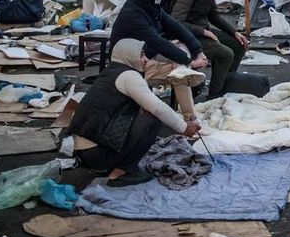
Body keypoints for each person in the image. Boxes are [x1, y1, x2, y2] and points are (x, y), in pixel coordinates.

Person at [69, 39, 201, 187]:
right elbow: (158, 108)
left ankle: (117, 166)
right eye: (141, 55)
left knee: (145, 112)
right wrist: (183, 127)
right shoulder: (129, 76)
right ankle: (122, 171)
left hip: (86, 152)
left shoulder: (112, 72)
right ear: (128, 56)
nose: (146, 59)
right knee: (152, 119)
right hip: (97, 155)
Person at [109, 0, 209, 103]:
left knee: (181, 56)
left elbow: (176, 26)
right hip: (129, 61)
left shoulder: (151, 7)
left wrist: (198, 51)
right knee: (181, 72)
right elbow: (157, 42)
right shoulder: (133, 14)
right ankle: (188, 113)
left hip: (147, 53)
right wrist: (189, 62)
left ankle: (186, 107)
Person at [165, 0, 247, 100]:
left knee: (239, 44)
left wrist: (234, 32)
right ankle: (214, 95)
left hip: (201, 31)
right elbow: (176, 22)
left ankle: (226, 85)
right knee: (225, 54)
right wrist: (202, 31)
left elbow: (213, 15)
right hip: (184, 36)